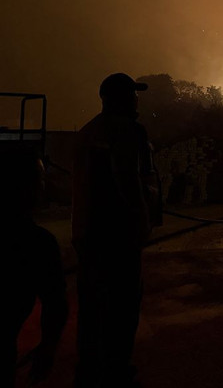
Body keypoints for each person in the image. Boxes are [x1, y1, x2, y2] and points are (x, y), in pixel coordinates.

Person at [72, 73, 159, 387]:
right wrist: (142, 222)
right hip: (116, 237)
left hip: (86, 236)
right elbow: (128, 180)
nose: (137, 100)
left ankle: (88, 372)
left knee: (92, 308)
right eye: (133, 94)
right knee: (122, 308)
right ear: (119, 98)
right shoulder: (126, 130)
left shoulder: (86, 132)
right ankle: (116, 372)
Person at [5, 148, 68, 386]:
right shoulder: (37, 243)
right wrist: (48, 347)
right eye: (39, 178)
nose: (43, 185)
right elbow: (56, 303)